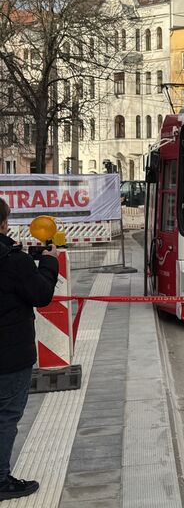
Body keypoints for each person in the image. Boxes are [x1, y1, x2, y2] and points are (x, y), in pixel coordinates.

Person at [0, 199, 59, 501]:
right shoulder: (12, 260)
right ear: (3, 223)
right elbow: (41, 295)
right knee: (6, 416)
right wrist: (50, 262)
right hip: (9, 357)